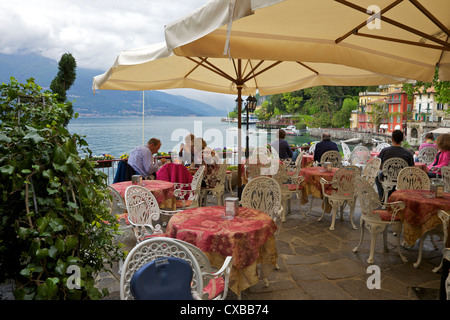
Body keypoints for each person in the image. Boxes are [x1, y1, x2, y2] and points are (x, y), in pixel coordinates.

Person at [375, 130, 414, 200]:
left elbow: (380, 166)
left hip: (387, 179)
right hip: (402, 179)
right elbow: (412, 169)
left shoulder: (384, 151)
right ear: (402, 139)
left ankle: (381, 196)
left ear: (392, 139)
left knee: (377, 176)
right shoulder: (408, 153)